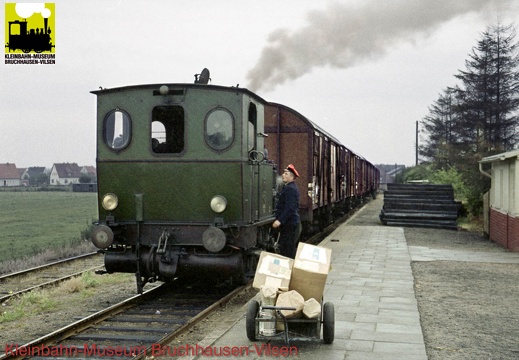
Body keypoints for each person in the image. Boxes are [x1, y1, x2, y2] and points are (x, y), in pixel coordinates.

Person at [272, 164, 301, 258]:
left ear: (292, 177)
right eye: (284, 173)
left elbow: (290, 208)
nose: (283, 175)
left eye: (286, 174)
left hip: (290, 224)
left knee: (288, 250)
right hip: (289, 224)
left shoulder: (290, 189)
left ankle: (289, 270)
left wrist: (279, 220)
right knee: (286, 249)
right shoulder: (288, 187)